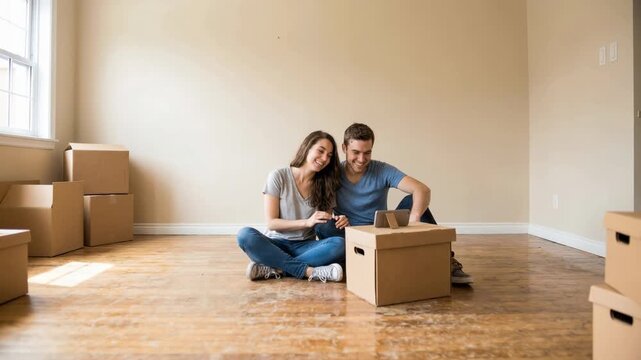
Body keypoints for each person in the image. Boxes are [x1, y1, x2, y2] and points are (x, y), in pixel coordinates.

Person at [315, 123, 473, 284]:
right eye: (356, 152)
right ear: (344, 148)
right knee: (322, 225)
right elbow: (326, 211)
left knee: (412, 201)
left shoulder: (382, 170)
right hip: (348, 234)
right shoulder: (333, 174)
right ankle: (348, 259)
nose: (362, 159)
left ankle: (446, 261)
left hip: (379, 232)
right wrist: (336, 218)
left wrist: (415, 219)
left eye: (367, 153)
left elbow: (422, 190)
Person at [237, 130, 349, 283]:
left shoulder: (327, 185)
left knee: (339, 244)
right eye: (321, 151)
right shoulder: (279, 176)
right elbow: (272, 223)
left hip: (305, 246)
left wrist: (338, 221)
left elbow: (324, 222)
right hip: (275, 244)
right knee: (245, 235)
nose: (324, 159)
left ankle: (275, 268)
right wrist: (306, 222)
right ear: (307, 148)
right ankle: (309, 271)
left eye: (329, 156)